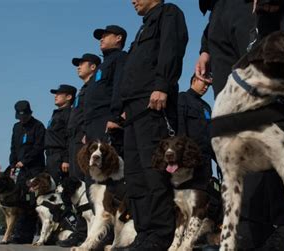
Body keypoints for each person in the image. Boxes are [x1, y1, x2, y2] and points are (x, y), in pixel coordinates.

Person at [196, 0, 284, 249]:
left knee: (267, 112)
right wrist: (206, 47)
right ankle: (249, 227)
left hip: (252, 6)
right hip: (219, 12)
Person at [116, 0, 188, 250]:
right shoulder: (142, 27)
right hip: (134, 108)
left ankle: (160, 233)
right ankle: (144, 231)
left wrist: (162, 85)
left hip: (154, 103)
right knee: (135, 174)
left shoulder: (169, 13)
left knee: (153, 171)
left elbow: (171, 49)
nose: (132, 1)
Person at [58, 53, 101, 247]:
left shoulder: (94, 86)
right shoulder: (83, 89)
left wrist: (86, 133)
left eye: (82, 64)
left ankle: (90, 232)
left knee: (86, 186)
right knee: (77, 186)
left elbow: (91, 112)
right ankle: (81, 230)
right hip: (75, 140)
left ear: (93, 67)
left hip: (84, 139)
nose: (78, 67)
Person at [83, 25, 127, 156]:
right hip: (92, 124)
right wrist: (86, 130)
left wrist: (116, 117)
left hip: (107, 120)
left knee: (108, 166)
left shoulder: (121, 57)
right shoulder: (102, 65)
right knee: (93, 171)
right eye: (100, 38)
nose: (101, 40)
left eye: (105, 36)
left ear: (118, 38)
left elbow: (119, 87)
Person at [9, 100, 45, 244]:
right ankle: (18, 233)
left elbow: (39, 147)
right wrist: (12, 163)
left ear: (30, 113)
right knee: (20, 200)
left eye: (24, 116)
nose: (22, 119)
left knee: (32, 202)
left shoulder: (38, 126)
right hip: (21, 170)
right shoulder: (16, 127)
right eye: (20, 117)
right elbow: (13, 147)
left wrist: (25, 160)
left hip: (34, 168)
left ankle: (28, 234)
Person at [177, 74, 215, 190]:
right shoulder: (182, 98)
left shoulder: (206, 107)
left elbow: (211, 134)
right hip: (189, 160)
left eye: (208, 85)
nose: (206, 88)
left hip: (206, 162)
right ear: (194, 80)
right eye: (204, 83)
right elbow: (180, 128)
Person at [45, 84, 77, 183]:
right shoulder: (56, 114)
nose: (55, 96)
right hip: (50, 156)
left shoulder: (69, 114)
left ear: (69, 97)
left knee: (61, 188)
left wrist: (66, 159)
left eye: (59, 94)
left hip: (59, 157)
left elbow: (70, 137)